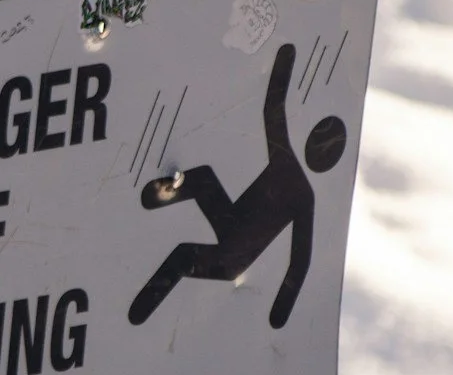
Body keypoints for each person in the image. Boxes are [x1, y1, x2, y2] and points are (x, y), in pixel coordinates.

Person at [129, 40, 346, 330]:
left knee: (183, 255)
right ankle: (155, 193)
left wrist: (278, 318)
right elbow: (273, 112)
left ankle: (135, 317)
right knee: (204, 178)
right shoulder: (299, 184)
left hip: (231, 258)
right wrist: (285, 58)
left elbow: (299, 260)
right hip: (231, 223)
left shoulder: (297, 182)